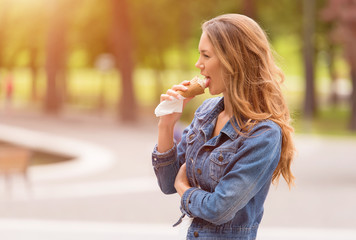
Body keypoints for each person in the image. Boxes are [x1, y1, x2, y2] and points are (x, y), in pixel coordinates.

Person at [151, 13, 295, 240]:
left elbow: (218, 209)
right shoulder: (206, 111)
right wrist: (166, 125)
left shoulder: (264, 134)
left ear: (234, 61)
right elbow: (167, 182)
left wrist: (184, 188)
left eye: (206, 55)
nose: (198, 64)